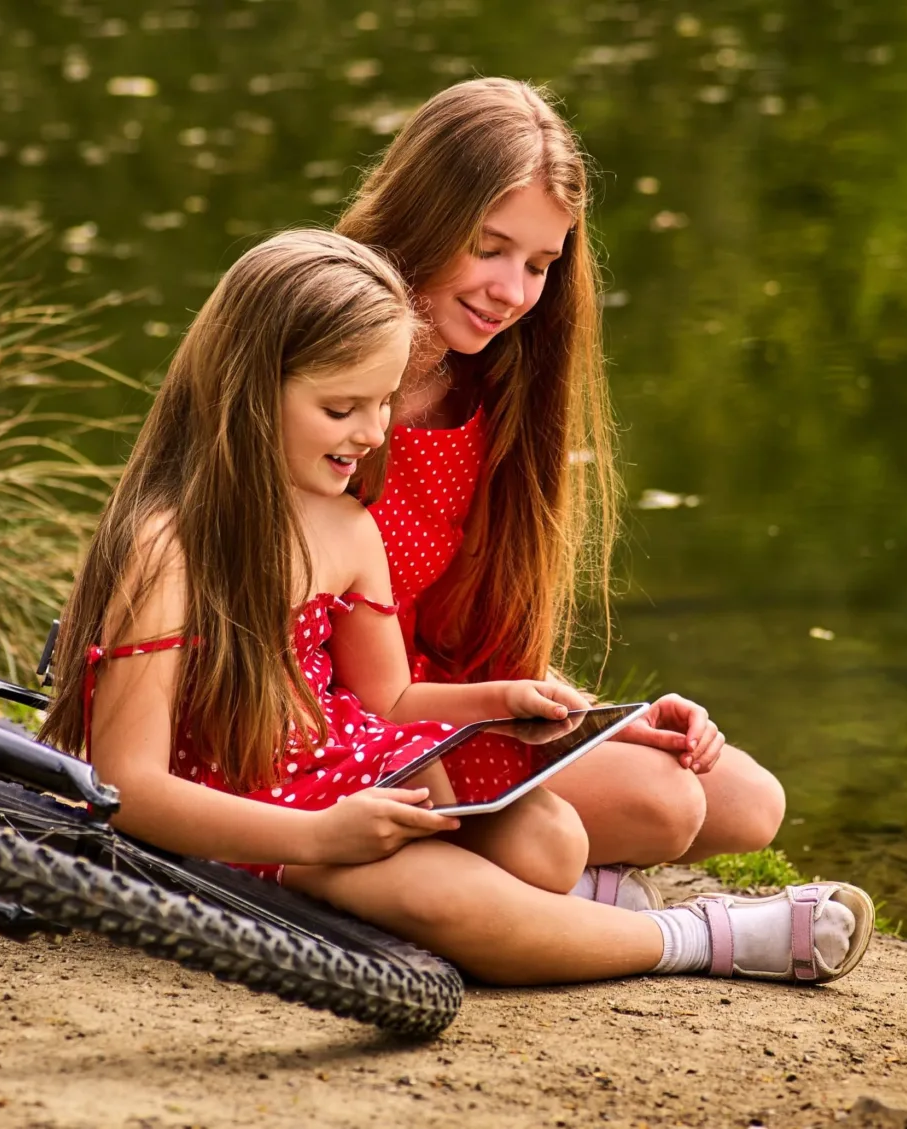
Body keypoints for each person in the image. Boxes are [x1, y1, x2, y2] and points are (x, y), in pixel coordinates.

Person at [41, 228, 872, 987]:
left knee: (550, 842)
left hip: (346, 776)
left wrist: (501, 705)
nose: (372, 433)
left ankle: (569, 905)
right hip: (253, 822)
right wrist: (322, 838)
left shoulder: (343, 526)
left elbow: (389, 700)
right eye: (342, 408)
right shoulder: (169, 549)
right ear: (250, 390)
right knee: (456, 905)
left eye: (382, 404)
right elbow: (129, 785)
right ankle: (708, 937)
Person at [335, 78, 787, 896]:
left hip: (451, 697)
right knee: (664, 806)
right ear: (423, 215)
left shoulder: (490, 388)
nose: (512, 292)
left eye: (540, 264)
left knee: (749, 800)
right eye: (489, 246)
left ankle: (553, 859)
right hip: (356, 719)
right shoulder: (330, 373)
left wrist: (580, 715)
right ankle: (569, 883)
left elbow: (473, 630)